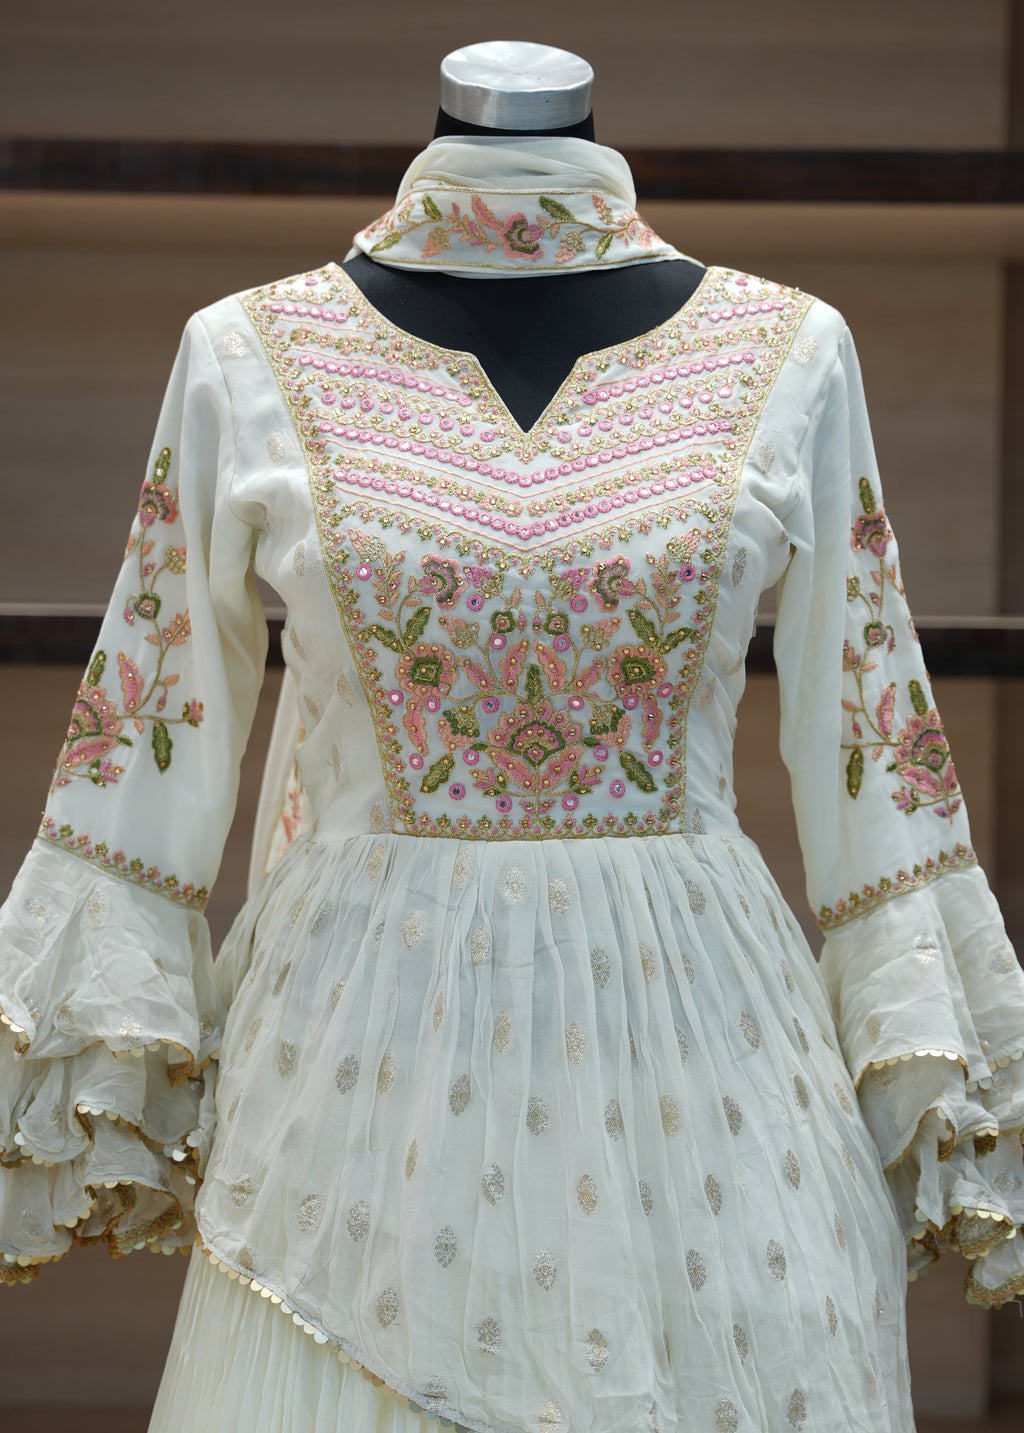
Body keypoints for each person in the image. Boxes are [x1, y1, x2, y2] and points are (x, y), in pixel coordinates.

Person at [2, 40, 1022, 1433]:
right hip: (358, 1082)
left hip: (710, 1077)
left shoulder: (790, 353)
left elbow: (872, 734)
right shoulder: (248, 353)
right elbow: (161, 717)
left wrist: (928, 1042)